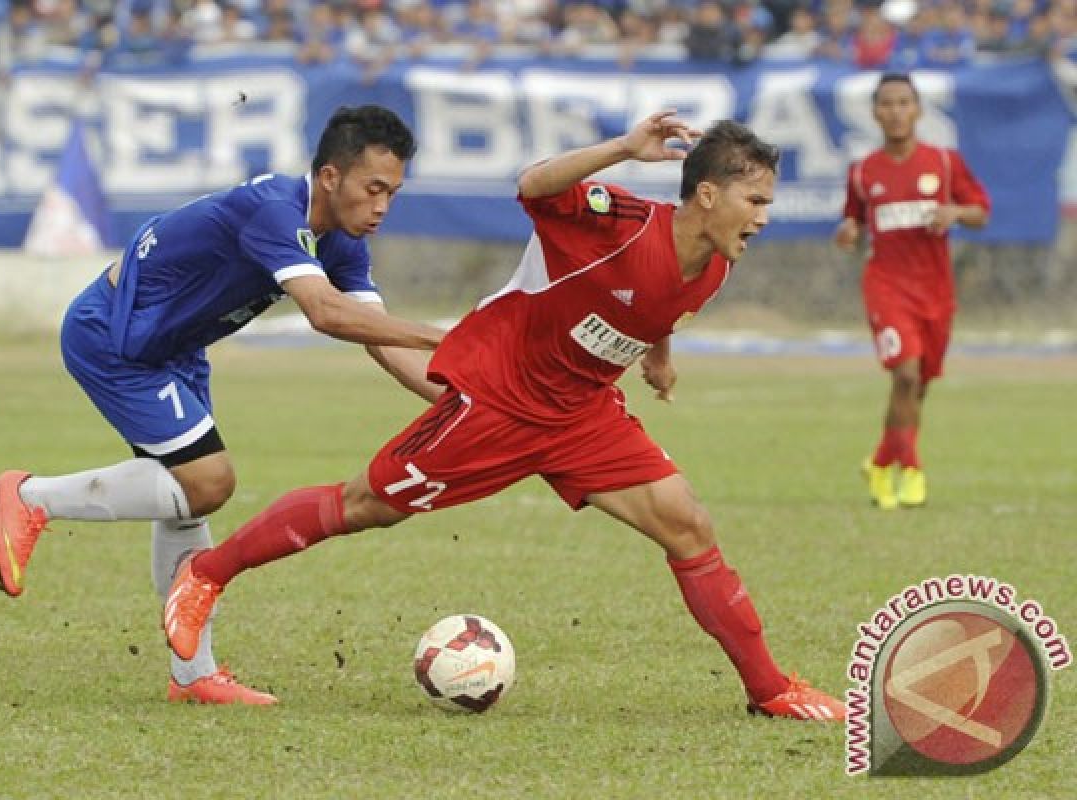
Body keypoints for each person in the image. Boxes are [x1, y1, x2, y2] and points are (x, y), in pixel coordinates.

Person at [163, 114, 847, 721]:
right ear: (707, 195)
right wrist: (623, 147)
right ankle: (207, 573)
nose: (763, 216)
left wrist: (657, 360)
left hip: (583, 414)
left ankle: (769, 689)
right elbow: (534, 186)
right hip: (500, 397)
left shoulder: (717, 263)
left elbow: (657, 304)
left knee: (689, 525)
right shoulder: (617, 222)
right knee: (369, 503)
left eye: (767, 202)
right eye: (754, 200)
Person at [0, 105, 447, 705]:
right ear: (331, 177)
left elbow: (381, 341)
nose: (384, 206)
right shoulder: (274, 212)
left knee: (184, 502)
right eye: (375, 188)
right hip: (116, 338)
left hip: (174, 348)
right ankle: (31, 497)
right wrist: (451, 337)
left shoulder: (341, 242)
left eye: (393, 192)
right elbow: (328, 314)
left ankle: (193, 677)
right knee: (207, 483)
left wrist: (470, 396)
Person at [834, 73, 990, 510]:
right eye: (887, 103)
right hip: (886, 286)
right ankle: (912, 469)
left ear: (918, 110)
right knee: (904, 375)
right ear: (875, 112)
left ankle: (882, 461)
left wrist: (955, 212)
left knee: (917, 386)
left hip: (936, 291)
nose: (896, 111)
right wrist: (847, 232)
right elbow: (854, 221)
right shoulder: (863, 172)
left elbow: (981, 212)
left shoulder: (943, 163)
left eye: (904, 102)